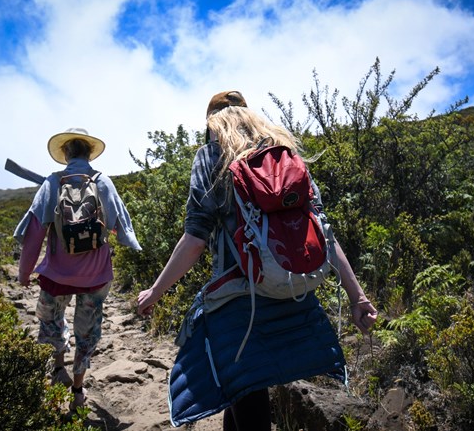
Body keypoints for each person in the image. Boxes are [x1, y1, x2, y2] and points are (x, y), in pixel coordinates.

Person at [137, 91, 378, 430]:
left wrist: (156, 290)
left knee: (248, 395)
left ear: (212, 124)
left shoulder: (212, 157)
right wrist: (358, 297)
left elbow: (194, 240)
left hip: (238, 304)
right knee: (241, 389)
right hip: (291, 291)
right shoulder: (286, 156)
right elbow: (325, 232)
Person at [14, 128, 141, 412]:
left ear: (66, 154)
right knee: (88, 331)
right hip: (96, 277)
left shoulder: (52, 182)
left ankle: (59, 367)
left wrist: (24, 273)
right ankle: (78, 389)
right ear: (88, 153)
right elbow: (119, 227)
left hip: (57, 275)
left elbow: (35, 232)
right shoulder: (103, 182)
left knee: (51, 319)